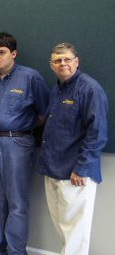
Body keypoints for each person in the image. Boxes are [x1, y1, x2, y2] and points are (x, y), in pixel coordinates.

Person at [0, 32, 49, 255]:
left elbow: (44, 113)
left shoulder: (31, 78)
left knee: (17, 203)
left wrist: (20, 129)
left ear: (13, 53)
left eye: (2, 52)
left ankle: (16, 251)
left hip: (17, 144)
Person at [39, 43, 108, 255]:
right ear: (51, 65)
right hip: (53, 169)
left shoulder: (90, 89)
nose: (63, 64)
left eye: (67, 59)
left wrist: (81, 168)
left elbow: (97, 133)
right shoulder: (56, 89)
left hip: (75, 174)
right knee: (63, 228)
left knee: (76, 232)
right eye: (57, 60)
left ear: (76, 62)